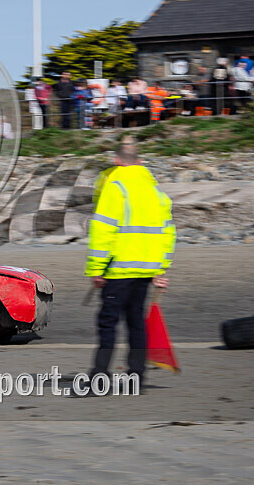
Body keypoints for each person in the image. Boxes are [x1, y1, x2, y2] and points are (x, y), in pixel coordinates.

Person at [86, 141, 175, 383]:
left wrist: (96, 269)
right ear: (141, 162)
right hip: (146, 270)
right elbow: (168, 233)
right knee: (136, 322)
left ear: (116, 161)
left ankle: (99, 376)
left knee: (108, 324)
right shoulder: (156, 192)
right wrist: (161, 268)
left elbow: (103, 230)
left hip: (118, 270)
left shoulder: (114, 186)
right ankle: (137, 375)